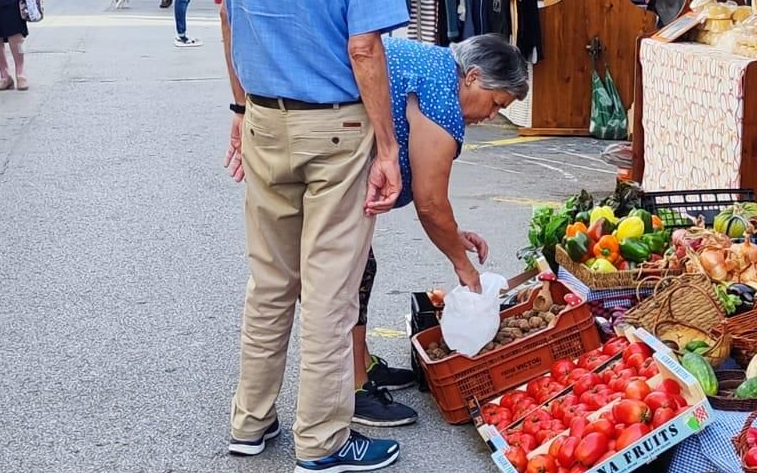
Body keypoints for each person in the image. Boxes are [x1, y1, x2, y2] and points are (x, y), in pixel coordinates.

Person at [219, 0, 419, 473]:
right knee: (331, 291)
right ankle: (322, 441)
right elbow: (366, 47)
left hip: (266, 115)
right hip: (333, 125)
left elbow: (226, 9)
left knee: (270, 282)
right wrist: (389, 148)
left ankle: (251, 422)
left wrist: (240, 107)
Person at [225, 34, 529, 427]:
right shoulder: (441, 94)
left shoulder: (434, 65)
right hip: (326, 152)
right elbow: (430, 203)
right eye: (496, 104)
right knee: (341, 277)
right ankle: (349, 392)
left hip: (288, 134)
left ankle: (338, 376)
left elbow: (433, 203)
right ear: (472, 77)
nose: (490, 116)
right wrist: (463, 266)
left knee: (324, 274)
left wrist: (455, 236)